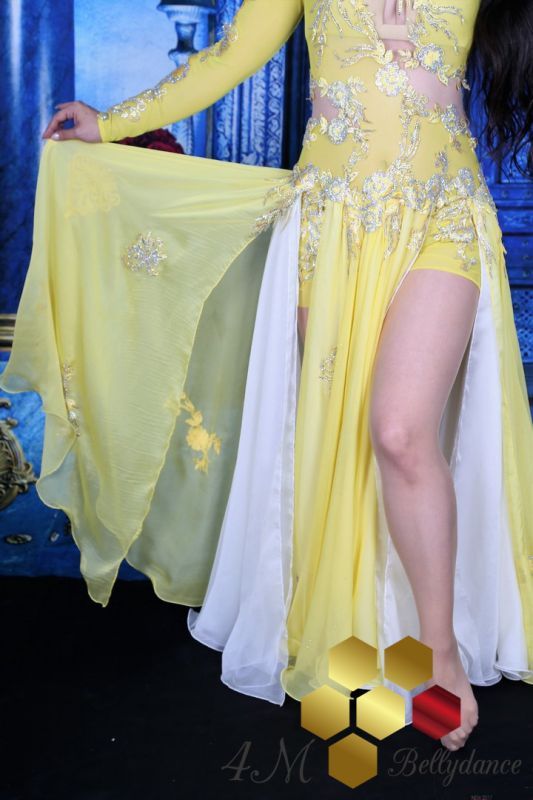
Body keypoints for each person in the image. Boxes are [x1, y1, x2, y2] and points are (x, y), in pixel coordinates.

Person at [2, 0, 532, 754]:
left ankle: (440, 655)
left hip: (443, 215)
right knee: (341, 437)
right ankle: (359, 632)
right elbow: (232, 54)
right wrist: (111, 122)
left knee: (399, 430)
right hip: (330, 227)